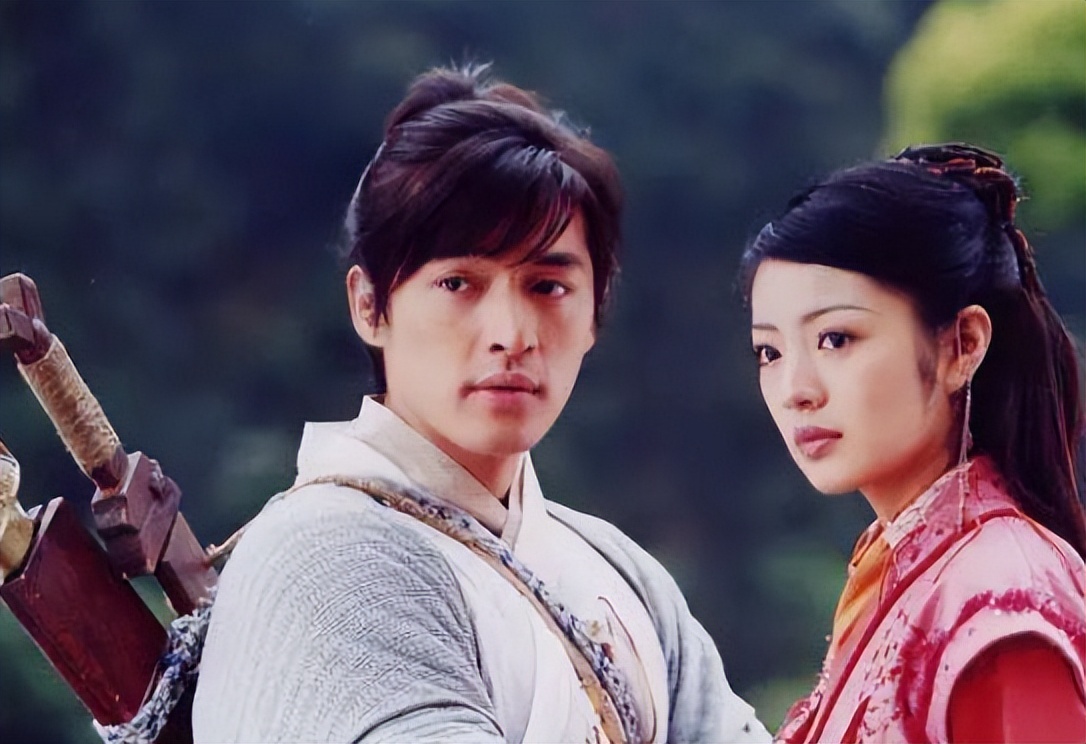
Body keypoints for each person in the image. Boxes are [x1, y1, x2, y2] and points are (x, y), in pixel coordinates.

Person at [192, 64, 768, 743]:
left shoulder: (619, 572)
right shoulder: (324, 555)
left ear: (596, 312)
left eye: (547, 287)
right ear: (369, 305)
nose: (512, 335)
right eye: (459, 283)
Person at [739, 143, 1086, 742]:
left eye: (836, 339)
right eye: (769, 352)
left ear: (962, 345)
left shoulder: (1001, 600)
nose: (795, 390)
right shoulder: (901, 571)